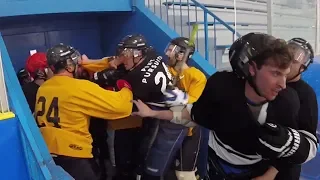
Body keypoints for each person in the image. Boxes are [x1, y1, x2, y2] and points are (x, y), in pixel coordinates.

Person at [131, 32, 314, 179]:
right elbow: (192, 114)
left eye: (285, 73)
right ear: (251, 68)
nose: (283, 84)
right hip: (216, 166)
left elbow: (306, 148)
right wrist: (152, 113)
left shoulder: (288, 102)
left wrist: (293, 145)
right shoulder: (221, 87)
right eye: (275, 73)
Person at [81, 34, 189, 180]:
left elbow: (120, 102)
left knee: (151, 167)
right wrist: (116, 60)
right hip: (170, 105)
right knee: (143, 155)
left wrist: (96, 78)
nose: (122, 58)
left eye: (125, 55)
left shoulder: (138, 81)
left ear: (137, 54)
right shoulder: (151, 53)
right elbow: (121, 65)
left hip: (175, 119)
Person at [34, 44, 133, 180]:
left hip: (49, 152)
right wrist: (126, 87)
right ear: (69, 66)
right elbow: (120, 106)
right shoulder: (79, 87)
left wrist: (107, 63)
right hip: (74, 155)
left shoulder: (43, 88)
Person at [270, 37, 318, 179]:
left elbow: (306, 142)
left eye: (294, 61)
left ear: (302, 68)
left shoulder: (306, 95)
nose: (287, 63)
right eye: (285, 57)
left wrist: (271, 173)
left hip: (284, 171)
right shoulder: (269, 82)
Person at [164, 37, 207, 180]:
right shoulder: (164, 70)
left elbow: (192, 107)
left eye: (171, 50)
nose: (167, 53)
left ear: (181, 55)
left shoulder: (197, 77)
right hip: (166, 129)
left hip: (188, 131)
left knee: (184, 174)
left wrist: (176, 97)